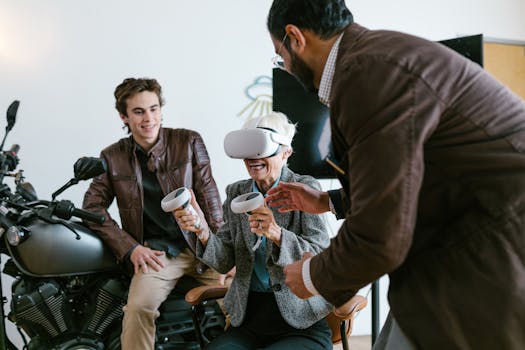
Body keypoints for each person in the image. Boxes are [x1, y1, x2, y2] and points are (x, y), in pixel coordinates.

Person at [264, 1, 525, 349]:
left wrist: (312, 276)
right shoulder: (374, 58)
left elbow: (379, 236)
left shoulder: (367, 73)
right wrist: (329, 200)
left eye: (279, 56)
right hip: (465, 229)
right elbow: (407, 174)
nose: (285, 67)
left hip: (490, 240)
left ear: (295, 37)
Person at [82, 77, 225, 350]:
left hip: (200, 246)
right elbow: (92, 207)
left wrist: (222, 250)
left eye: (154, 108)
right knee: (137, 310)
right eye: (138, 111)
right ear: (123, 116)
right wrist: (131, 248)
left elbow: (210, 199)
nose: (148, 118)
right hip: (158, 255)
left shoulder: (188, 141)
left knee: (237, 303)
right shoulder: (112, 156)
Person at [174, 112, 333, 349]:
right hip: (250, 320)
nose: (253, 158)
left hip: (301, 320)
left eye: (262, 149)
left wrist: (278, 235)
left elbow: (319, 255)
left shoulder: (305, 189)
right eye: (248, 150)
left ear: (286, 153)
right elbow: (225, 259)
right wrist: (202, 230)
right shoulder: (237, 193)